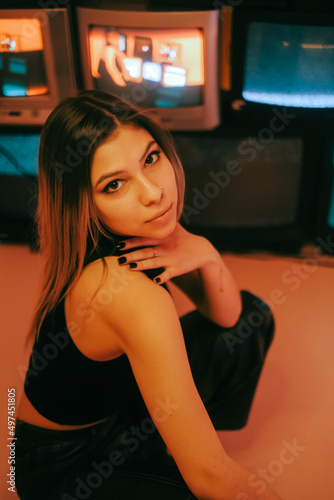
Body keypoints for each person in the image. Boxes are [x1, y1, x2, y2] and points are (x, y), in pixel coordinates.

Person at [15, 90, 282, 500]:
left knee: (252, 318)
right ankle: (177, 446)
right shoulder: (126, 291)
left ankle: (180, 439)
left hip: (119, 410)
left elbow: (230, 318)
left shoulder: (144, 225)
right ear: (85, 204)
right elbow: (211, 478)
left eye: (151, 158)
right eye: (115, 184)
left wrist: (207, 254)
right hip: (60, 463)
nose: (153, 193)